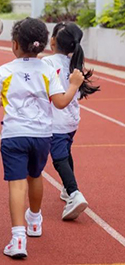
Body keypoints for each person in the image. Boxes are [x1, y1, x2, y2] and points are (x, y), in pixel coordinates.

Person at [0, 18, 85, 259]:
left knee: (17, 184)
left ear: (15, 45)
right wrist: (74, 85)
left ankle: (18, 238)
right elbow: (60, 103)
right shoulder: (48, 70)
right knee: (35, 176)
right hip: (41, 136)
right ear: (41, 45)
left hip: (14, 136)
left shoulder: (4, 70)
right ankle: (35, 221)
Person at [43, 22, 99, 220]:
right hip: (72, 119)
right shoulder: (75, 63)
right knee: (65, 151)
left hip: (56, 119)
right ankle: (68, 189)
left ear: (53, 41)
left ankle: (74, 194)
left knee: (59, 158)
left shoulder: (47, 63)